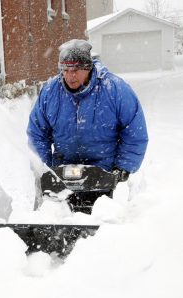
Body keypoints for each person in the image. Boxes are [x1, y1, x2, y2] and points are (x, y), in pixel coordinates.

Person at [27, 39, 148, 206]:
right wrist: (43, 168)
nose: (70, 76)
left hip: (104, 175)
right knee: (53, 222)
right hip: (61, 175)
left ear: (88, 67)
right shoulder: (50, 92)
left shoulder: (115, 89)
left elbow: (135, 132)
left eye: (76, 70)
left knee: (102, 224)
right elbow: (37, 133)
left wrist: (122, 169)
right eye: (65, 70)